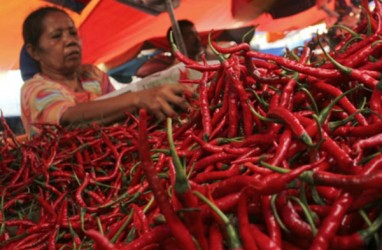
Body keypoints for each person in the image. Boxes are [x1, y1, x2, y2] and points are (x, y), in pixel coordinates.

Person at [20, 6, 192, 137]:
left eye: (73, 33)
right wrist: (138, 98)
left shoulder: (92, 76)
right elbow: (68, 118)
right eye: (56, 36)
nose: (70, 40)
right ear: (34, 51)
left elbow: (120, 110)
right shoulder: (34, 89)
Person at [135, 19, 205, 78]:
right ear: (177, 41)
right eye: (190, 35)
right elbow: (142, 72)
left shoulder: (204, 60)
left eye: (196, 34)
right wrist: (172, 68)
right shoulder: (164, 61)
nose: (197, 39)